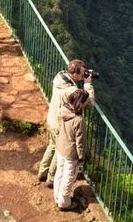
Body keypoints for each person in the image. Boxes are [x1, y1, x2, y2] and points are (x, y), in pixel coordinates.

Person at [37, 59, 95, 188]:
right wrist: (87, 84)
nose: (82, 76)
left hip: (52, 118)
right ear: (74, 74)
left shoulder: (59, 76)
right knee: (60, 151)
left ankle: (42, 172)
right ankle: (51, 180)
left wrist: (82, 74)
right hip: (60, 125)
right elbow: (89, 103)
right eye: (81, 74)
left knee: (52, 146)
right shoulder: (71, 91)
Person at [54, 88, 90, 211]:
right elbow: (80, 142)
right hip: (70, 152)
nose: (86, 104)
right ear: (81, 103)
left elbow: (58, 128)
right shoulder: (78, 120)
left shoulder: (63, 109)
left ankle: (57, 197)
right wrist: (82, 157)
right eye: (85, 102)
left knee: (59, 172)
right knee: (68, 177)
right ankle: (64, 203)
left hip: (60, 146)